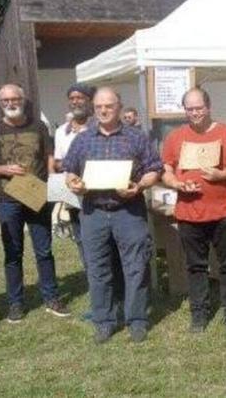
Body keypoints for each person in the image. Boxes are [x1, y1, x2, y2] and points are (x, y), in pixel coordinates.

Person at [63, 86, 162, 344]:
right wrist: (74, 183)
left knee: (136, 266)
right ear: (93, 109)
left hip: (128, 211)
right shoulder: (83, 140)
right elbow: (69, 171)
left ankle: (137, 319)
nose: (104, 110)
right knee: (97, 269)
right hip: (93, 212)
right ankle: (104, 321)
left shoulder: (136, 137)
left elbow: (155, 169)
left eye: (109, 106)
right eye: (99, 107)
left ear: (119, 107)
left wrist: (139, 186)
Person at [0, 84, 70, 322]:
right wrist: (2, 168)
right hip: (8, 200)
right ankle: (16, 304)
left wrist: (52, 180)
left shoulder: (39, 127)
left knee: (44, 251)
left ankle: (51, 298)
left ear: (23, 100)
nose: (10, 103)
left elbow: (49, 156)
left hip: (37, 196)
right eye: (5, 100)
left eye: (14, 98)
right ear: (0, 104)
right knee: (13, 253)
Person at [161, 87, 226, 333]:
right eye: (189, 109)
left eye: (199, 108)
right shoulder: (175, 137)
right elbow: (166, 169)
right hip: (189, 212)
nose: (195, 113)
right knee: (195, 266)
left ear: (208, 107)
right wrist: (177, 183)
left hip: (224, 212)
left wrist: (222, 174)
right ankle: (199, 315)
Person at [53, 83, 95, 266]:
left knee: (102, 240)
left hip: (97, 192)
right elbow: (57, 161)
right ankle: (92, 278)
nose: (75, 101)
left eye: (80, 97)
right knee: (81, 238)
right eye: (72, 98)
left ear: (89, 101)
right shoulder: (61, 132)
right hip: (73, 193)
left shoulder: (99, 127)